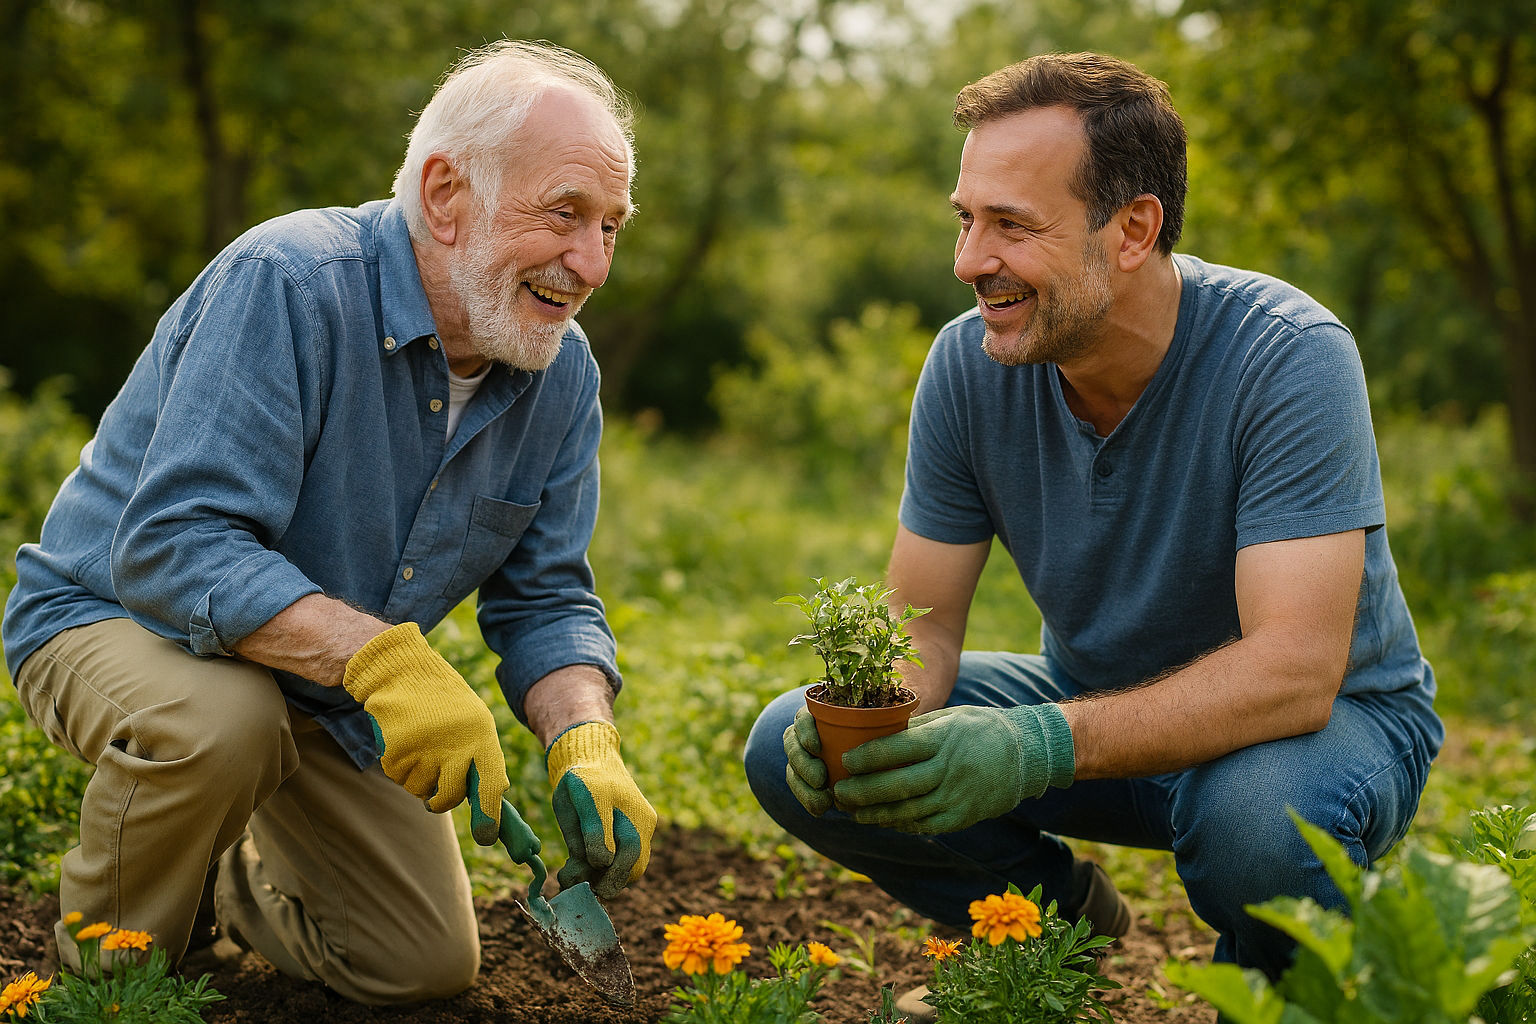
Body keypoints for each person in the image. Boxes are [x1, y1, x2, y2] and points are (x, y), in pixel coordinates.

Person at [744, 51, 1443, 1020]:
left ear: (1132, 231)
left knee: (1255, 821)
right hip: (1094, 709)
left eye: (1012, 225)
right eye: (965, 219)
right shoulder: (968, 366)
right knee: (788, 740)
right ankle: (1046, 930)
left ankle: (1275, 991)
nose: (969, 261)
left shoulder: (1287, 358)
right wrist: (869, 724)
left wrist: (1035, 744)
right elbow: (924, 627)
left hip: (1318, 732)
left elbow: (1295, 669)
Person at [1, 40, 656, 1003]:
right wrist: (383, 664)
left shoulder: (561, 373)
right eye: (565, 213)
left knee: (419, 963)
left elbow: (546, 597)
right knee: (224, 723)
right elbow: (177, 546)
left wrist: (583, 738)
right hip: (118, 619)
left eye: (610, 226)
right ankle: (108, 978)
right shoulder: (291, 282)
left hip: (318, 682)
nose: (592, 263)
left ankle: (222, 869)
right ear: (445, 194)